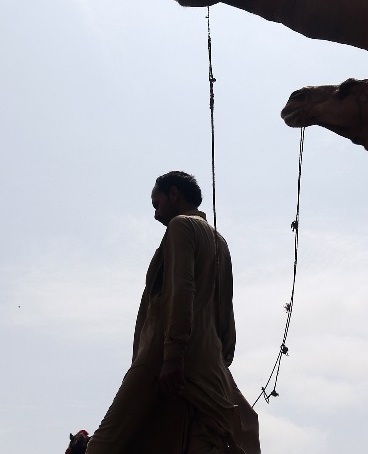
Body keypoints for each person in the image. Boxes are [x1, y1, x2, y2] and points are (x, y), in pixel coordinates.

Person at [87, 171, 260, 454]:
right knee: (201, 441)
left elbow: (181, 288)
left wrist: (173, 355)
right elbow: (225, 309)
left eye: (157, 203)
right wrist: (219, 358)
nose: (155, 213)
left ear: (174, 194)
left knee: (106, 442)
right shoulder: (220, 242)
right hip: (209, 364)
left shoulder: (181, 227)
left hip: (162, 355)